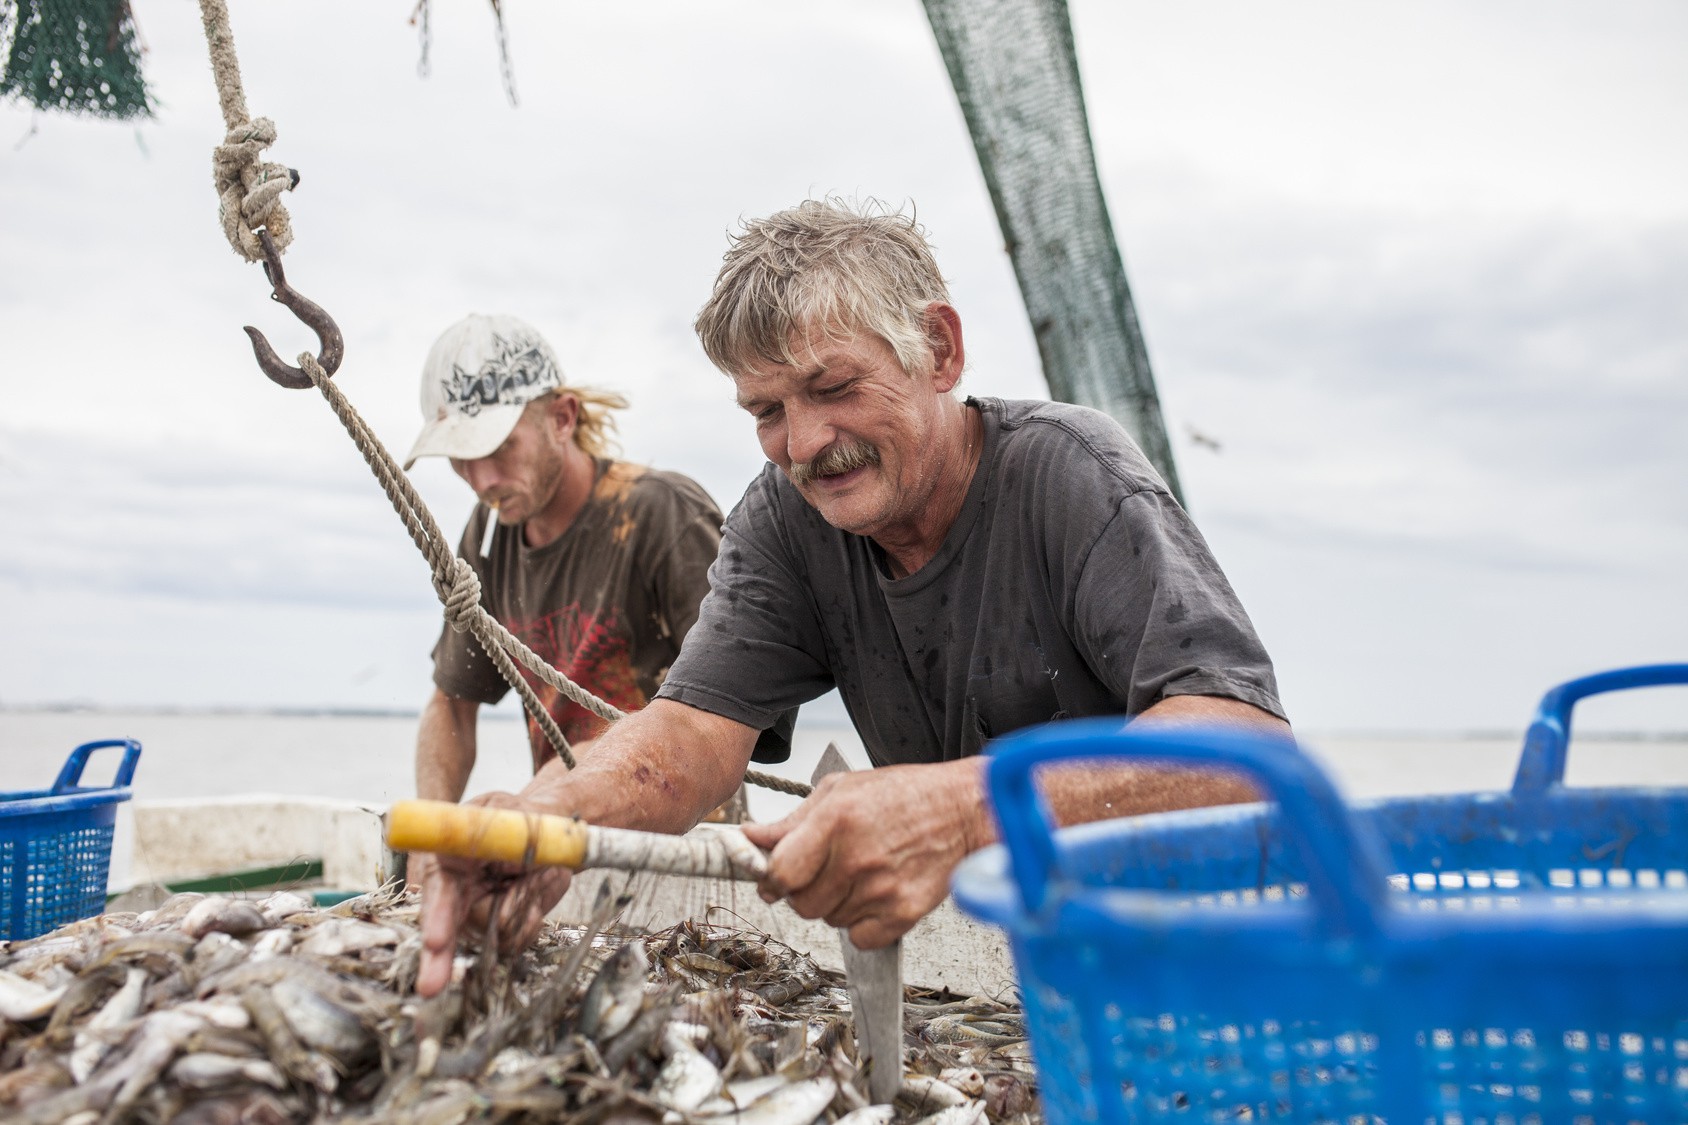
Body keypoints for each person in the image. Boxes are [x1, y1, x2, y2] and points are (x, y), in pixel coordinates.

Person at [415, 204, 1289, 997]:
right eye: (765, 408)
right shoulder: (785, 516)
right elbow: (689, 731)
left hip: (1183, 963)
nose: (802, 443)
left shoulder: (1070, 474)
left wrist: (958, 809)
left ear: (938, 351)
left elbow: (1247, 748)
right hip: (1007, 981)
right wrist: (547, 816)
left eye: (834, 388)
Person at [404, 314, 771, 868]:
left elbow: (727, 713)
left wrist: (546, 798)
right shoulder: (488, 533)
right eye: (461, 458)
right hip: (559, 844)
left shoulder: (660, 514)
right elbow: (453, 705)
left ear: (562, 418)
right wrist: (430, 840)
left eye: (499, 448)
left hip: (678, 846)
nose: (481, 481)